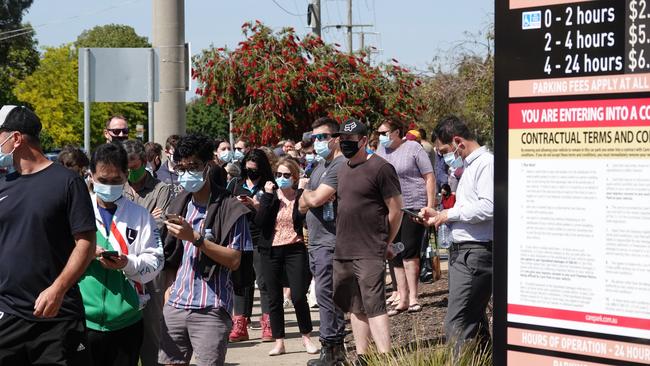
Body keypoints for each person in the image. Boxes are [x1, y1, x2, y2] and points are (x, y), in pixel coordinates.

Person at [0, 105, 96, 365]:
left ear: (16, 138)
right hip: (8, 315)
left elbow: (86, 243)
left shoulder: (67, 182)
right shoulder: (4, 184)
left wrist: (58, 289)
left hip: (57, 317)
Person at [159, 134, 252, 366]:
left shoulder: (230, 208)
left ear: (208, 166)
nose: (186, 173)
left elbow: (234, 259)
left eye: (193, 166)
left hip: (210, 308)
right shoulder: (179, 203)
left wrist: (196, 238)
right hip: (176, 305)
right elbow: (171, 255)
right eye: (181, 168)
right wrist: (168, 291)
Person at [81, 142, 164, 366]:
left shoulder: (140, 215)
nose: (109, 186)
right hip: (81, 319)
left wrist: (126, 263)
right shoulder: (78, 210)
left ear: (126, 176)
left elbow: (156, 260)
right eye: (103, 180)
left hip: (127, 320)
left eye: (116, 181)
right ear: (91, 176)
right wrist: (84, 254)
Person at [418, 116, 493, 352]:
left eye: (443, 150)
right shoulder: (470, 166)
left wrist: (447, 216)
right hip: (465, 251)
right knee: (474, 321)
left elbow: (489, 206)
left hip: (475, 251)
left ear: (458, 141)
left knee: (458, 323)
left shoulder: (486, 163)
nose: (442, 156)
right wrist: (440, 213)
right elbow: (468, 206)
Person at [333, 119, 403, 363]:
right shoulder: (342, 168)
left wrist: (386, 242)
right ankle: (362, 356)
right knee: (355, 305)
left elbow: (396, 210)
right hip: (343, 248)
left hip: (370, 248)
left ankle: (385, 357)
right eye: (342, 139)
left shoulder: (381, 169)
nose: (344, 144)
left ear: (363, 141)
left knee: (374, 304)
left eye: (350, 140)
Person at [298, 117, 348, 366]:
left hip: (331, 242)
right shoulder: (319, 167)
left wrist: (308, 195)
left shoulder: (340, 166)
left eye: (322, 137)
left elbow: (315, 200)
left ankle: (331, 349)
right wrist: (309, 195)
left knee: (327, 297)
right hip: (316, 242)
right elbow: (301, 204)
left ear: (336, 138)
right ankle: (333, 348)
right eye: (314, 138)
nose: (317, 142)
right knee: (324, 296)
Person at [258, 158, 318, 356]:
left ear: (294, 177)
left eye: (285, 175)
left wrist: (301, 191)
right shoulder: (270, 196)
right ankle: (279, 342)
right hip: (271, 251)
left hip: (295, 249)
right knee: (274, 298)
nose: (281, 179)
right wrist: (267, 197)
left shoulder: (300, 196)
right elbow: (261, 222)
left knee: (299, 296)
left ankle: (306, 337)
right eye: (278, 175)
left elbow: (303, 218)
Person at [120, 139, 172, 366]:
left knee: (152, 325)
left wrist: (138, 220)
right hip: (120, 265)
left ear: (144, 162)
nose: (130, 172)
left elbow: (159, 226)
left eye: (134, 167)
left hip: (150, 267)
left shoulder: (162, 189)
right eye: (126, 169)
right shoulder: (118, 188)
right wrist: (147, 216)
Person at [376, 118, 434, 316]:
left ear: (397, 132)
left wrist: (429, 206)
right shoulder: (380, 152)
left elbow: (429, 177)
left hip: (412, 207)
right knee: (395, 252)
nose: (381, 137)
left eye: (384, 133)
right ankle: (401, 297)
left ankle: (413, 297)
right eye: (379, 134)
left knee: (409, 252)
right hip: (390, 209)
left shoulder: (414, 148)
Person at [228, 149, 276, 343]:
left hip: (261, 237)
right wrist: (236, 203)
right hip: (239, 237)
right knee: (240, 282)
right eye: (248, 170)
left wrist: (256, 204)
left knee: (264, 282)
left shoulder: (269, 185)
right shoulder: (236, 184)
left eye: (254, 170)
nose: (251, 174)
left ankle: (268, 322)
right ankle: (240, 323)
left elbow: (272, 213)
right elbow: (225, 206)